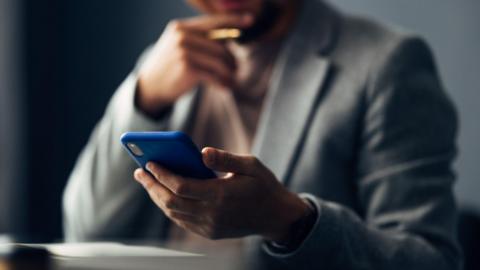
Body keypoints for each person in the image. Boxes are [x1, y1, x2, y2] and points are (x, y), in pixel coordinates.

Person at [62, 0, 461, 269]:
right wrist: (144, 96)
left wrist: (289, 220)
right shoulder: (165, 60)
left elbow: (432, 259)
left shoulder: (385, 63)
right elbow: (83, 231)